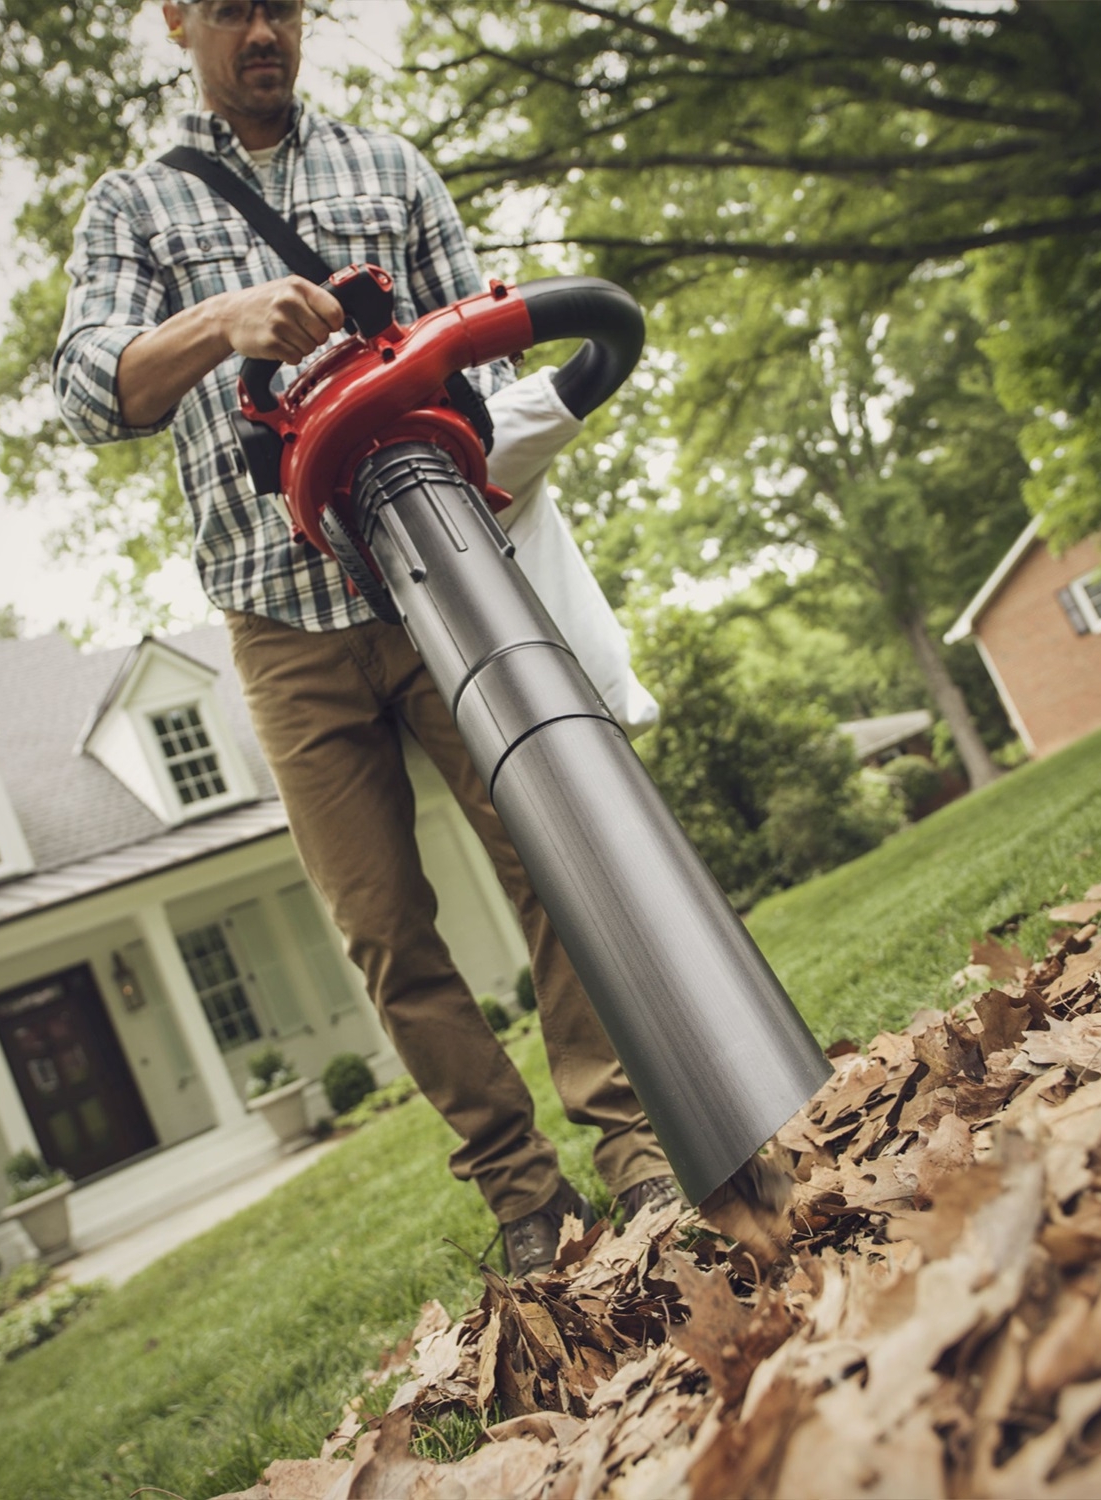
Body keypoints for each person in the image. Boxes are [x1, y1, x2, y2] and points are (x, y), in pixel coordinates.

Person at [53, 0, 678, 1276]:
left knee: (551, 854)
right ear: (180, 21)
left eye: (281, 7)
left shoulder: (389, 170)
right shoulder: (135, 206)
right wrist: (222, 321)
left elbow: (492, 360)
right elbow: (90, 387)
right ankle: (524, 1199)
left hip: (438, 573)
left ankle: (634, 1150)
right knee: (385, 927)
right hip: (279, 620)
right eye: (233, 9)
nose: (263, 31)